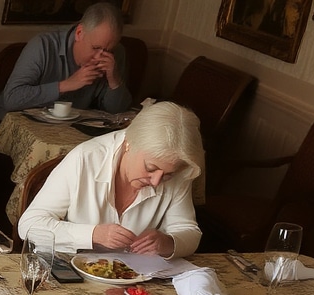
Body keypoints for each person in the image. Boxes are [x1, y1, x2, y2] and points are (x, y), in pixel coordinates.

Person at [17, 101, 203, 258]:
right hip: (71, 273)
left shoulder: (178, 168)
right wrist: (93, 234)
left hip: (137, 277)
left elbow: (188, 231)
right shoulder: (86, 158)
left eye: (168, 174)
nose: (156, 181)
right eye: (150, 168)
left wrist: (168, 243)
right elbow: (29, 226)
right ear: (129, 143)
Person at [0, 2, 133, 121]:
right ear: (79, 33)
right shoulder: (43, 45)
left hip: (63, 129)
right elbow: (12, 99)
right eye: (95, 48)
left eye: (108, 50)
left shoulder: (115, 54)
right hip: (6, 122)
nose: (100, 57)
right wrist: (66, 85)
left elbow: (117, 112)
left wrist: (114, 80)